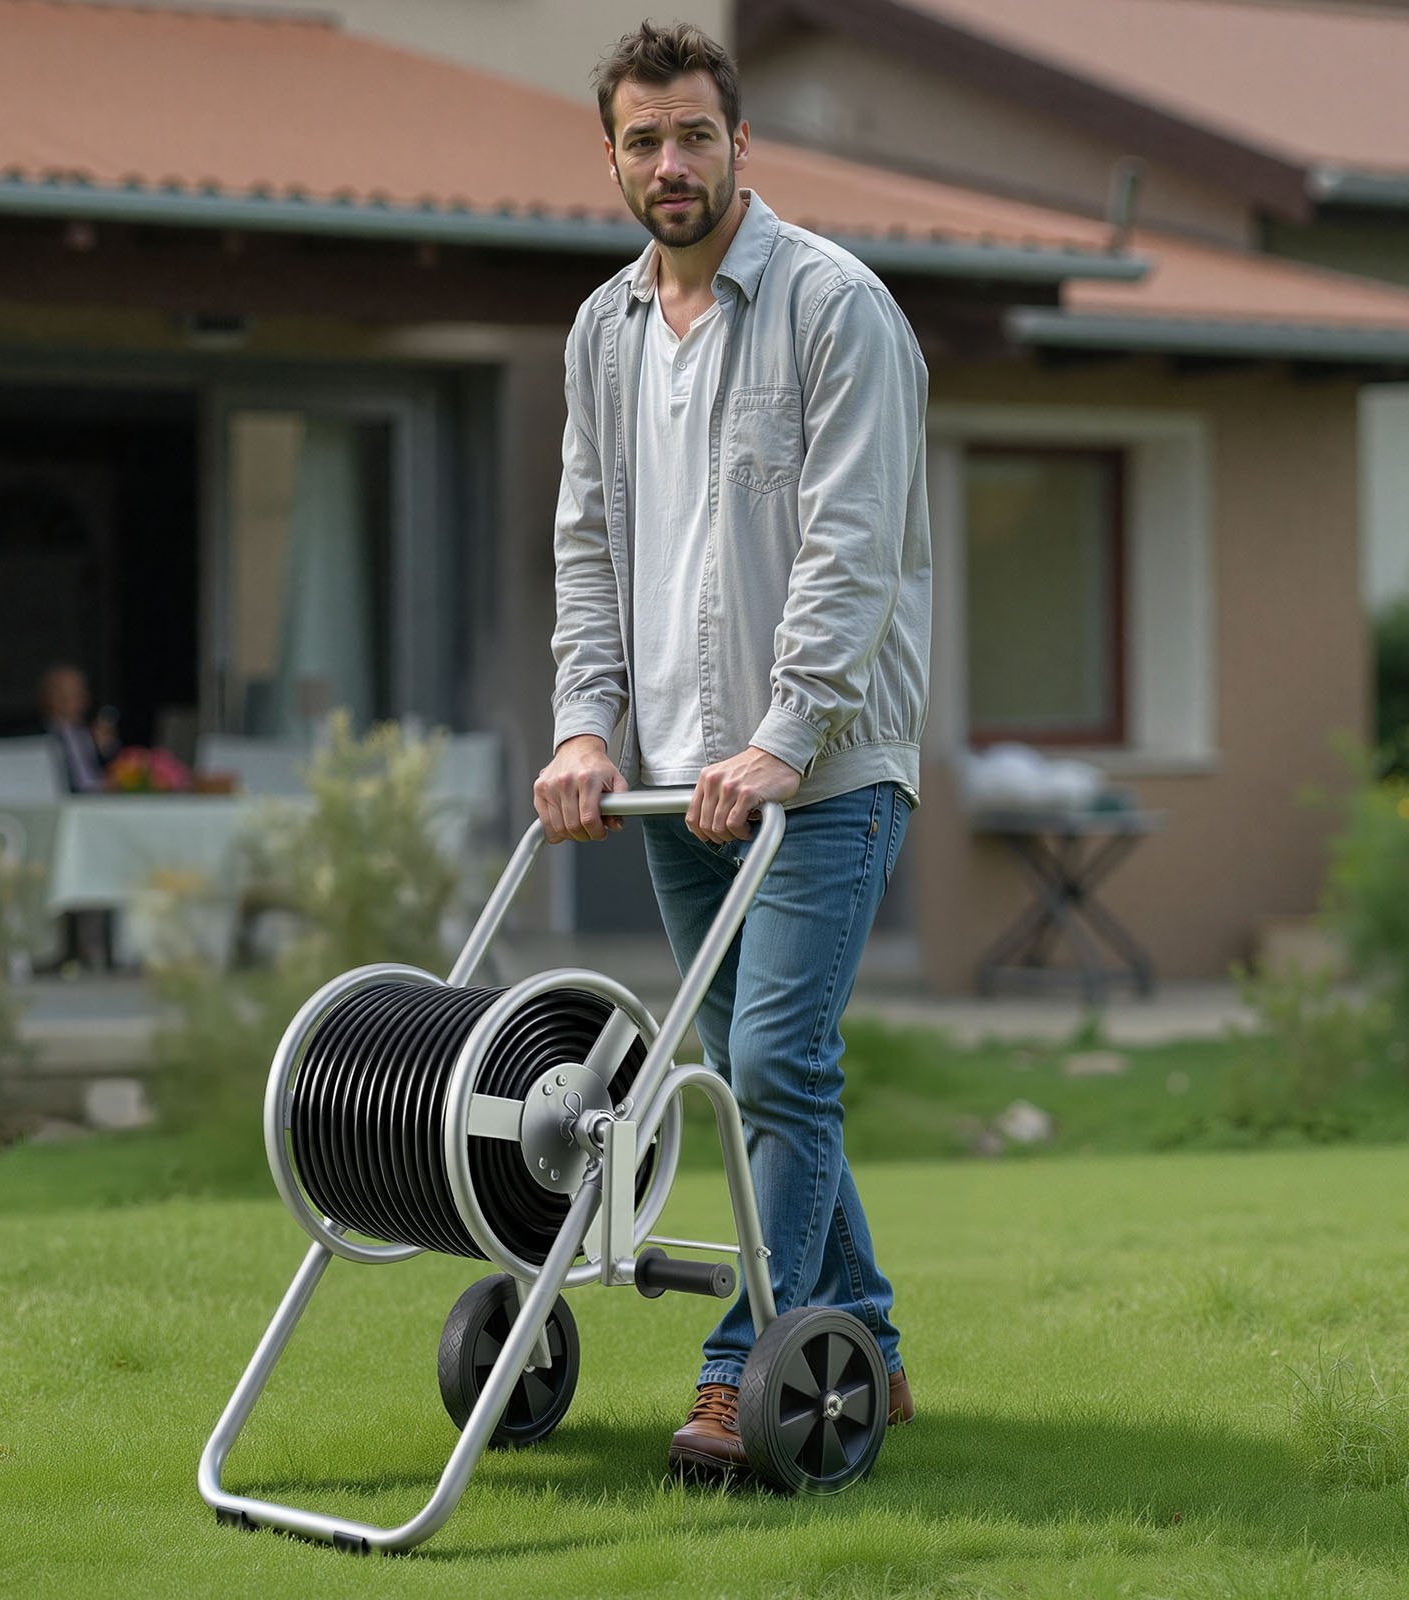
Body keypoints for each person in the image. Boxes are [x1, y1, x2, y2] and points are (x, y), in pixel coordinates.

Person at [532, 21, 931, 1480]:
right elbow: (588, 549)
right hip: (672, 781)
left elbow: (853, 547)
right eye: (643, 140)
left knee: (770, 1058)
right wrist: (588, 723)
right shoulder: (604, 333)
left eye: (695, 134)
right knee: (767, 1073)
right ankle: (866, 1346)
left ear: (739, 142)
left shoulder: (836, 309)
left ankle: (733, 1375)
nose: (671, 163)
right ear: (616, 159)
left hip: (819, 772)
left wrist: (779, 739)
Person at [38, 664, 118, 794]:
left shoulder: (93, 732)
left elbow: (117, 769)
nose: (72, 699)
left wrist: (106, 747)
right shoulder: (40, 735)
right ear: (48, 697)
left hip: (102, 800)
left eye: (77, 692)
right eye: (63, 693)